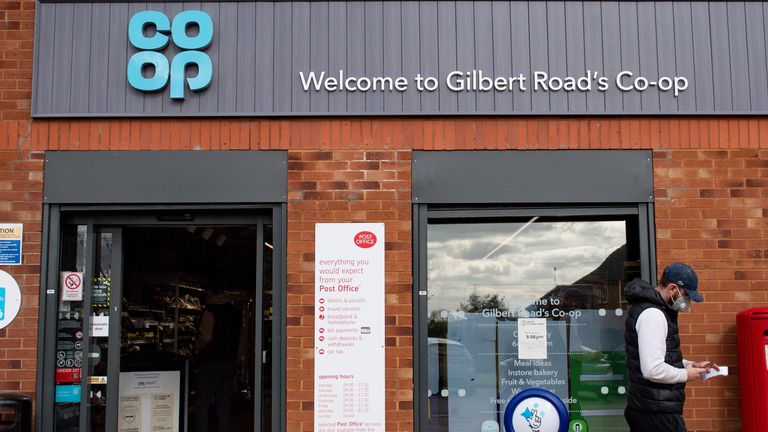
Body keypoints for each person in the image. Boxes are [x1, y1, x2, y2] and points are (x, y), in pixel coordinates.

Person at [624, 263, 719, 431]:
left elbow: (659, 357)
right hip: (656, 412)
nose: (688, 301)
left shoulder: (655, 310)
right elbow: (652, 369)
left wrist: (691, 364)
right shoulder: (653, 315)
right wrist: (685, 374)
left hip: (652, 407)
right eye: (686, 295)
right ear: (673, 289)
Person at [194, 287, 242, 432]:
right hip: (228, 362)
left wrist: (196, 349)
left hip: (210, 362)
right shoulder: (234, 312)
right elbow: (241, 340)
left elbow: (206, 336)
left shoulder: (210, 311)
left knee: (202, 404)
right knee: (224, 402)